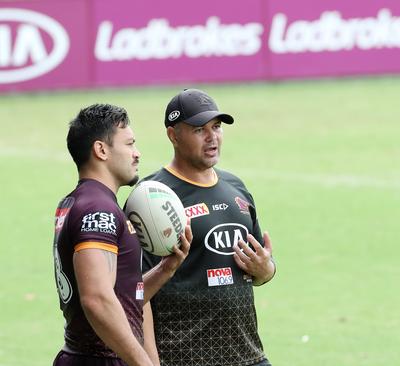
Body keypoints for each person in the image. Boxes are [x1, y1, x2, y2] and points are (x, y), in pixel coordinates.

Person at [141, 89, 276, 366]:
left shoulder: (236, 188)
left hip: (248, 355)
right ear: (173, 135)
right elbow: (135, 293)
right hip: (183, 358)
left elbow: (262, 266)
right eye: (199, 129)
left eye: (216, 127)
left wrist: (266, 270)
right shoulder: (151, 197)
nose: (212, 137)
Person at [52, 104, 191, 366]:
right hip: (100, 360)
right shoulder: (97, 209)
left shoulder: (81, 202)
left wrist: (165, 269)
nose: (137, 154)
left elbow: (121, 296)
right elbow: (97, 299)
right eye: (129, 144)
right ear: (101, 150)